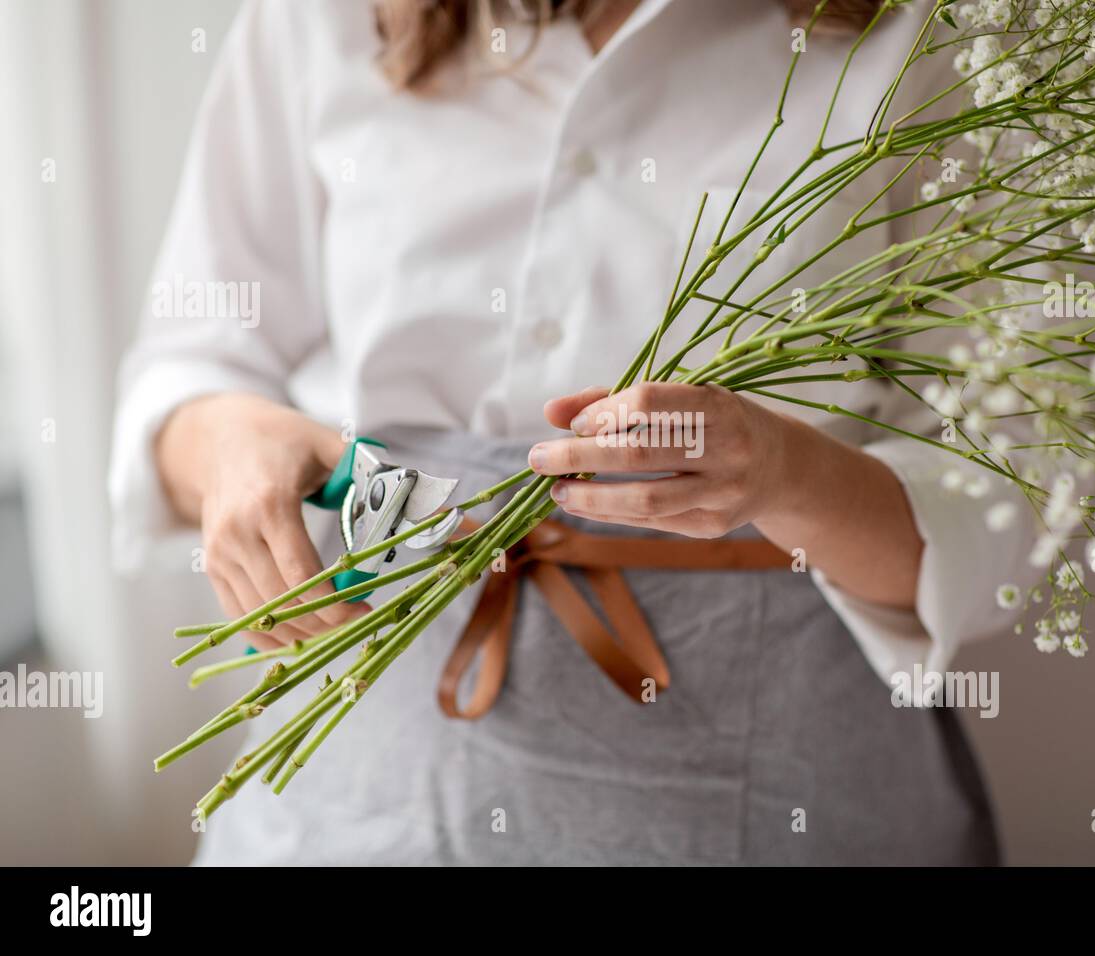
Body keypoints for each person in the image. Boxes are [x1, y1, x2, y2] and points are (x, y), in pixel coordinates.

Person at [110, 0, 1033, 865]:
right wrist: (232, 443)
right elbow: (194, 359)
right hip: (363, 775)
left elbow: (991, 518)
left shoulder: (939, 37)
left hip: (769, 785)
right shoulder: (330, 18)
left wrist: (783, 473)